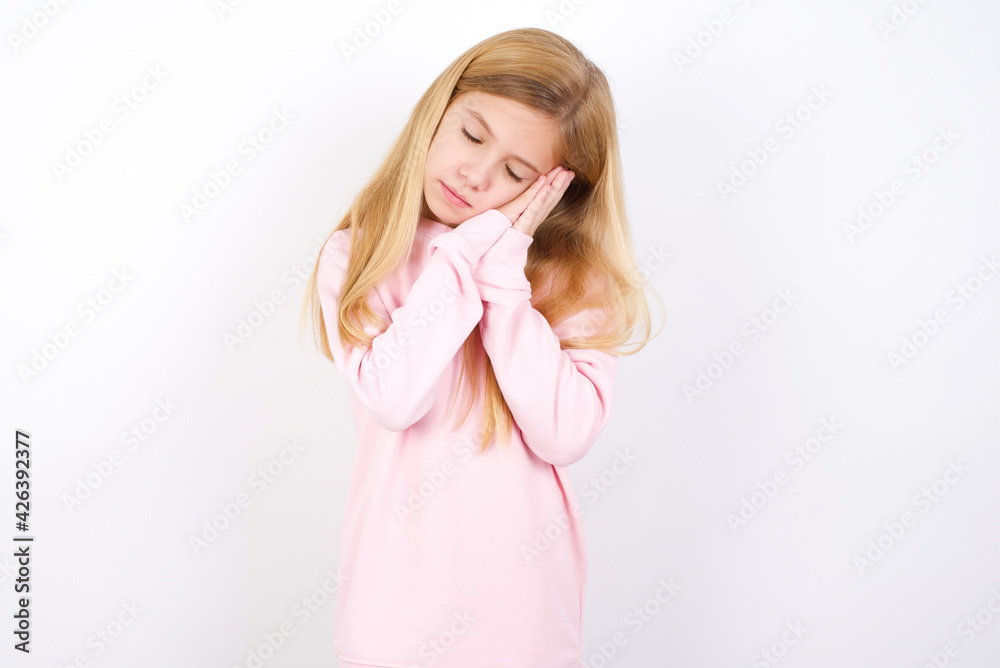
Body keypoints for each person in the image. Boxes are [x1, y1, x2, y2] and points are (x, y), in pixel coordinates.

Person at [299, 26, 661, 668]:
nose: (476, 174)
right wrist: (470, 247)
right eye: (471, 135)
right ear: (438, 110)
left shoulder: (572, 279)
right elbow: (393, 397)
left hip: (524, 616)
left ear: (553, 190)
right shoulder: (359, 255)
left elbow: (566, 433)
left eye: (515, 172)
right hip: (395, 610)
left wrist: (504, 280)